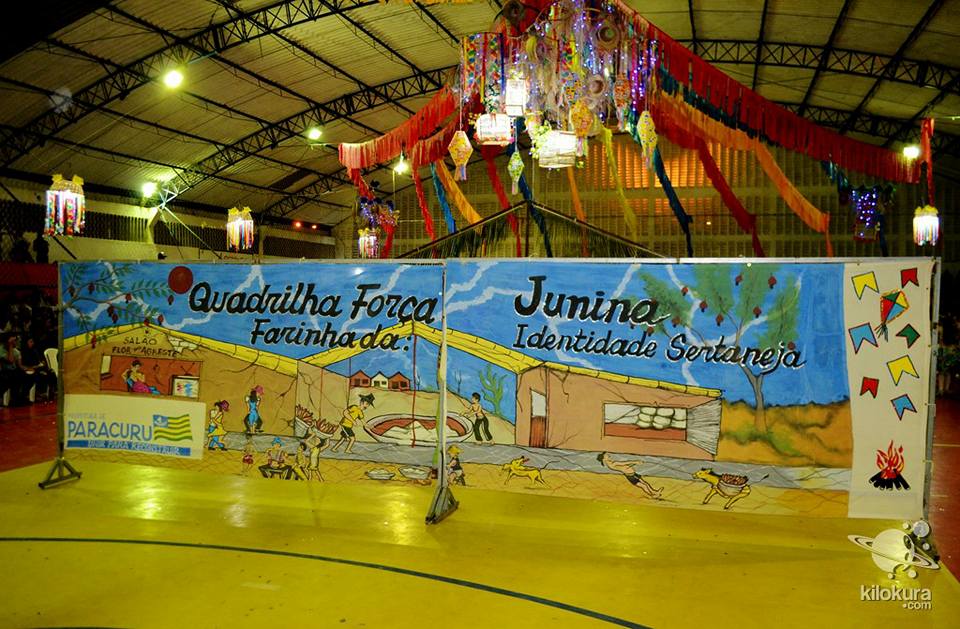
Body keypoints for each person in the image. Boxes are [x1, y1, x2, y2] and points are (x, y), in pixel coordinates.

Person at [597, 452, 663, 499]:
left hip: (633, 474)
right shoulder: (613, 463)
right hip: (631, 476)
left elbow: (624, 466)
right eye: (606, 455)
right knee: (643, 485)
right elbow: (625, 463)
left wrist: (633, 464)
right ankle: (652, 495)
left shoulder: (611, 463)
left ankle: (655, 492)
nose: (608, 455)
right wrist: (635, 462)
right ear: (604, 459)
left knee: (645, 483)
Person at [20, 336, 54, 401]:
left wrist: (41, 363)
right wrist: (36, 367)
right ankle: (38, 393)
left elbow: (38, 361)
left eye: (32, 342)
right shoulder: (23, 352)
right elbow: (25, 365)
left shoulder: (34, 351)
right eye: (30, 342)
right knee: (39, 375)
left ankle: (49, 392)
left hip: (37, 368)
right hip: (29, 370)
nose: (32, 343)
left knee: (51, 372)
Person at [1, 333, 28, 405]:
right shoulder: (1, 349)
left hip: (14, 371)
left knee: (28, 376)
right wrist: (10, 345)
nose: (16, 342)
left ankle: (20, 397)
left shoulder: (17, 351)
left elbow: (20, 365)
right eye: (14, 341)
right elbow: (10, 360)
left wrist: (28, 369)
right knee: (14, 377)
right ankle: (15, 399)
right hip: (4, 371)